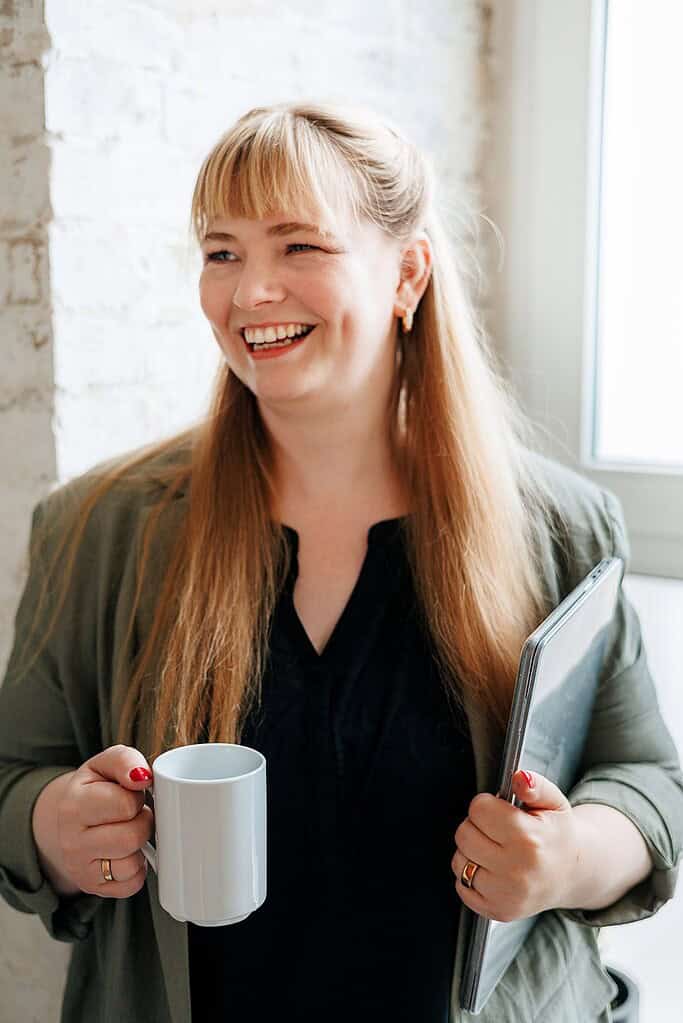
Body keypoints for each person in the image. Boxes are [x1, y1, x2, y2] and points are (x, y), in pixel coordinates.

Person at [0, 101, 681, 1023]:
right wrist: (52, 824)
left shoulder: (561, 524)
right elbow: (15, 774)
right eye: (221, 252)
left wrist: (566, 858)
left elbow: (648, 783)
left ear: (406, 274)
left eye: (299, 247)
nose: (248, 294)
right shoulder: (96, 526)